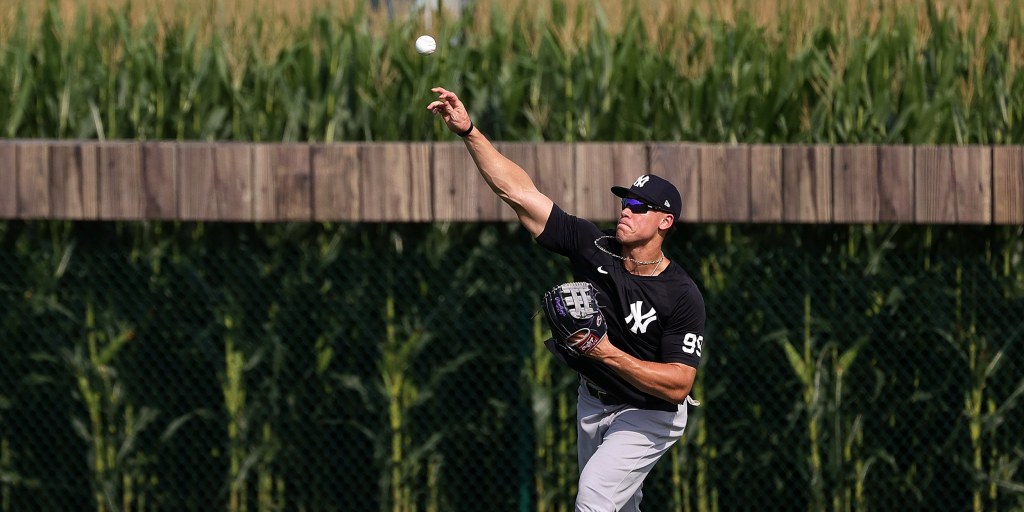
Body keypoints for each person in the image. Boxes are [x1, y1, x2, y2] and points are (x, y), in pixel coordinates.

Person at [427, 87, 706, 512]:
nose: (626, 209)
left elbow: (679, 384)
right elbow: (519, 193)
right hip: (593, 401)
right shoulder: (593, 247)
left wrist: (606, 353)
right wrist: (469, 131)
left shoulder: (682, 295)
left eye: (639, 205)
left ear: (665, 221)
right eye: (625, 200)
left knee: (593, 496)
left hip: (650, 413)